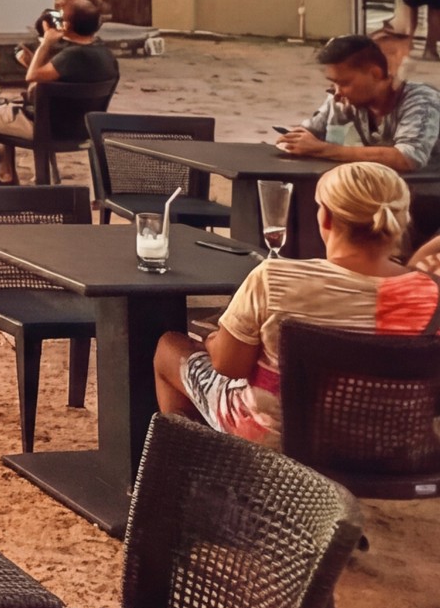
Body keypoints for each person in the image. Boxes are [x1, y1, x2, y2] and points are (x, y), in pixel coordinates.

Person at [158, 162, 439, 443]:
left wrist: (213, 341)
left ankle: (194, 475)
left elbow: (229, 366)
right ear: (399, 221)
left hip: (284, 449)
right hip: (391, 449)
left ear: (326, 218)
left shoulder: (275, 278)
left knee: (169, 348)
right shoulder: (431, 293)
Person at [0, 0, 119, 183]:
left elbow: (32, 77)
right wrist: (33, 62)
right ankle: (5, 168)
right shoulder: (105, 54)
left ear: (66, 25)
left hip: (42, 126)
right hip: (82, 128)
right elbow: (48, 80)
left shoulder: (71, 56)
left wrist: (46, 43)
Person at [279, 32, 440, 170]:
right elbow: (308, 131)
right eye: (334, 83)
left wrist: (322, 149)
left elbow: (407, 158)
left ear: (375, 74)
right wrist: (295, 140)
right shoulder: (346, 99)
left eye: (344, 83)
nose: (336, 92)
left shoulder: (423, 100)